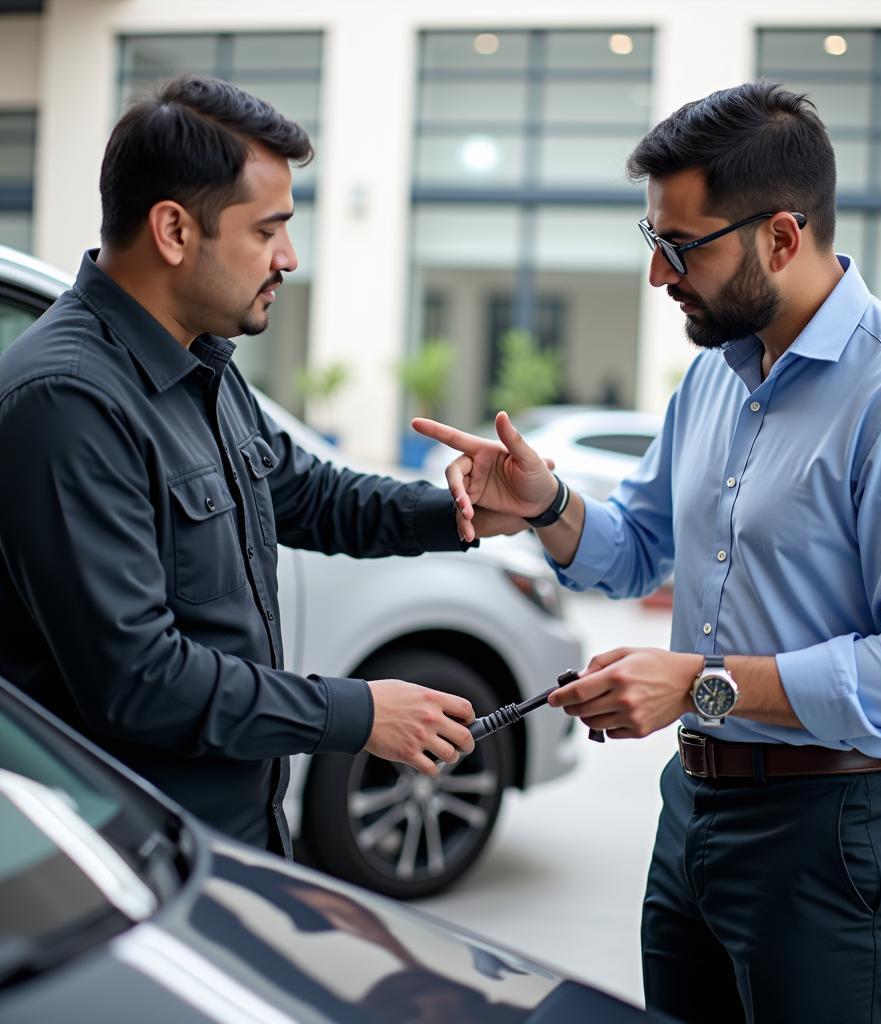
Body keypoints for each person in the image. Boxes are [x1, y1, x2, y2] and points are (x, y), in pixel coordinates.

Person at [413, 81, 881, 1023]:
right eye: (654, 242)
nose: (659, 278)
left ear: (781, 237)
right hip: (693, 807)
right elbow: (637, 549)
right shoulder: (716, 377)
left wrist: (698, 683)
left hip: (833, 831)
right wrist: (547, 503)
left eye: (681, 248)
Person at [0, 75, 517, 858]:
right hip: (140, 863)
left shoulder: (200, 362)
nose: (289, 258)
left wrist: (463, 511)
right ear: (174, 230)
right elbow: (139, 679)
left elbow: (309, 495)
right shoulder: (66, 401)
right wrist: (358, 714)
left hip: (234, 838)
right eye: (267, 230)